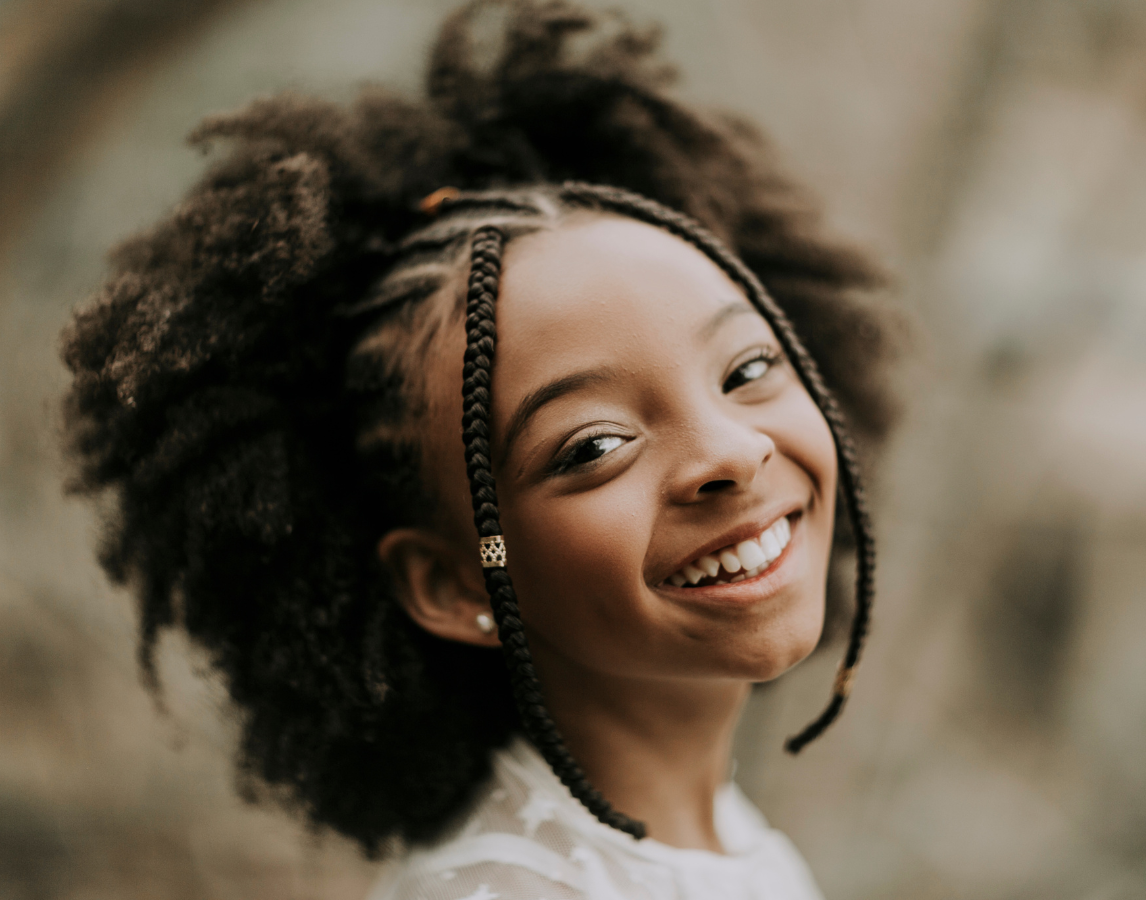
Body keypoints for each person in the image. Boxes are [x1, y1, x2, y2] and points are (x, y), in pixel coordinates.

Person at [60, 1, 896, 898]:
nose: (729, 451)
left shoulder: (719, 840)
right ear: (456, 584)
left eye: (749, 367)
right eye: (594, 446)